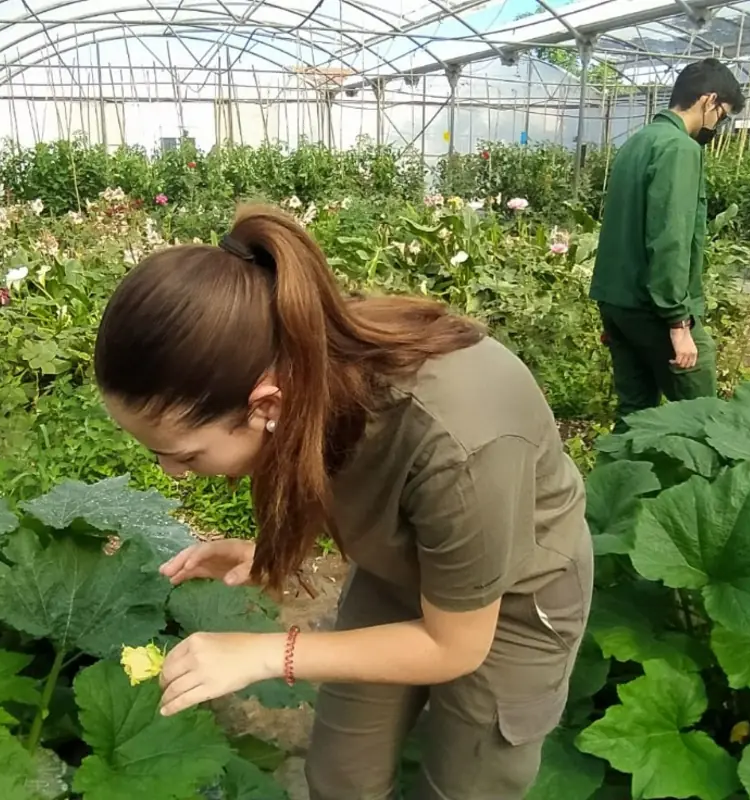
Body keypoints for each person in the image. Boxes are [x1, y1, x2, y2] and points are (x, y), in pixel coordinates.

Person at [94, 205, 593, 799]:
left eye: (184, 454)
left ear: (266, 405)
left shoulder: (459, 443)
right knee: (341, 773)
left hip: (513, 600)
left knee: (467, 782)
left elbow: (453, 644)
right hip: (401, 568)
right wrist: (274, 551)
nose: (172, 474)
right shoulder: (296, 356)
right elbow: (351, 479)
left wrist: (263, 655)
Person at [591, 58, 745, 427]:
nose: (719, 125)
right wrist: (679, 324)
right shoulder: (680, 149)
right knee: (701, 419)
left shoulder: (637, 142)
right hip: (653, 307)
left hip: (617, 302)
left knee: (635, 413)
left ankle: (620, 482)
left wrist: (617, 320)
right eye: (722, 115)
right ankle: (704, 484)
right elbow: (669, 238)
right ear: (709, 100)